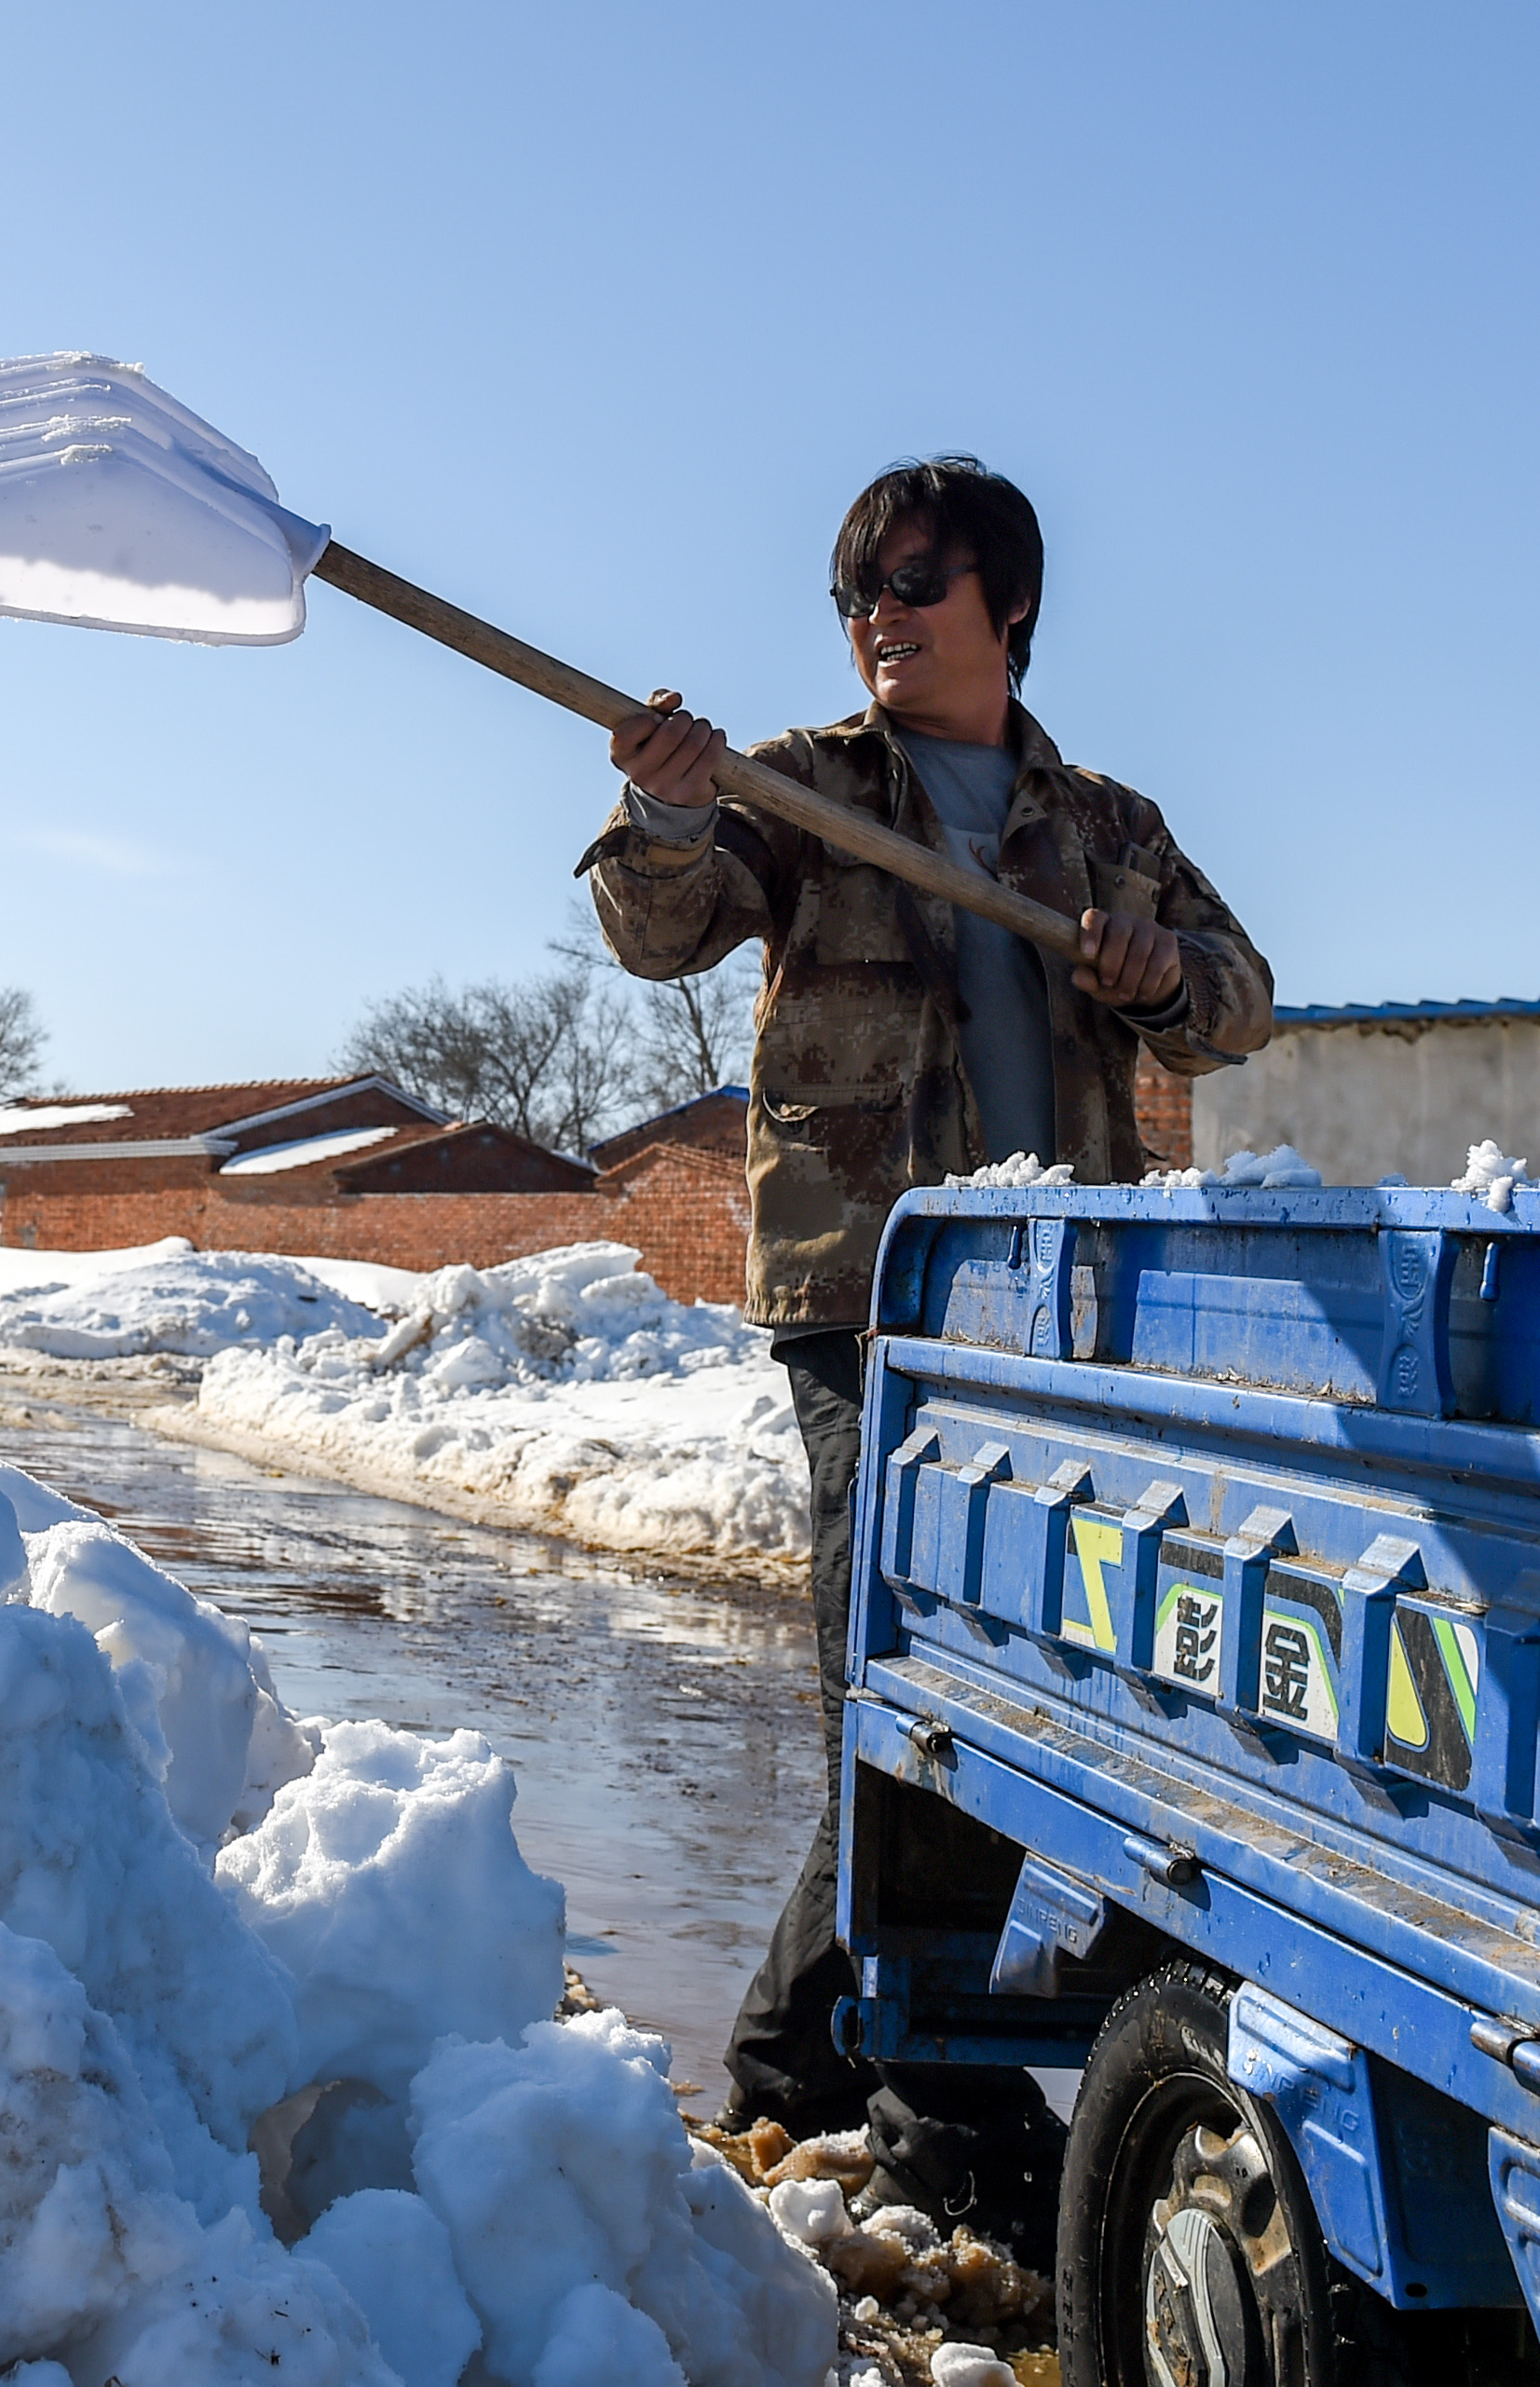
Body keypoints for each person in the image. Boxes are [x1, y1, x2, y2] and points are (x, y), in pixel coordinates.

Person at [579, 456, 1273, 2255]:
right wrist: (664, 821)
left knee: (1040, 1697)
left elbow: (1245, 994)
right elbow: (663, 925)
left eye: (913, 580)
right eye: (858, 591)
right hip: (871, 1309)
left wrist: (1152, 976)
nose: (881, 614)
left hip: (1066, 1330)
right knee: (881, 1690)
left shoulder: (1100, 822)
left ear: (1009, 606)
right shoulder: (801, 788)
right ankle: (846, 2072)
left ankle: (891, 2056)